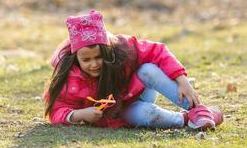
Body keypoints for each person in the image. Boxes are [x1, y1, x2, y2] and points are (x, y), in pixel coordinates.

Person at [43, 10, 223, 129]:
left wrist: (182, 81)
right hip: (123, 111)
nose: (94, 64)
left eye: (99, 57)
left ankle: (198, 110)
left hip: (136, 90)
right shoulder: (69, 78)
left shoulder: (122, 49)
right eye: (86, 60)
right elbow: (55, 111)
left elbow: (158, 51)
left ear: (108, 51)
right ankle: (185, 120)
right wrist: (78, 115)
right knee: (146, 114)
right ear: (76, 59)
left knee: (148, 70)